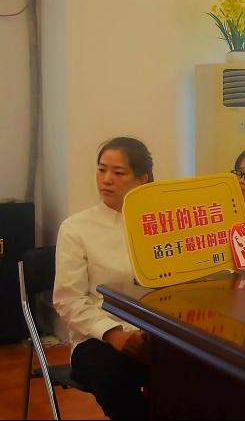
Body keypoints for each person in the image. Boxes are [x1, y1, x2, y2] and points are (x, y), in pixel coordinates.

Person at [53, 137, 154, 419]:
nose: (106, 180)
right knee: (113, 374)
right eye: (101, 170)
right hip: (97, 339)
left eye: (118, 172)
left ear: (142, 180)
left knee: (203, 370)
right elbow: (68, 300)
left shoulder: (159, 225)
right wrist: (114, 334)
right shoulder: (76, 228)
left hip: (153, 333)